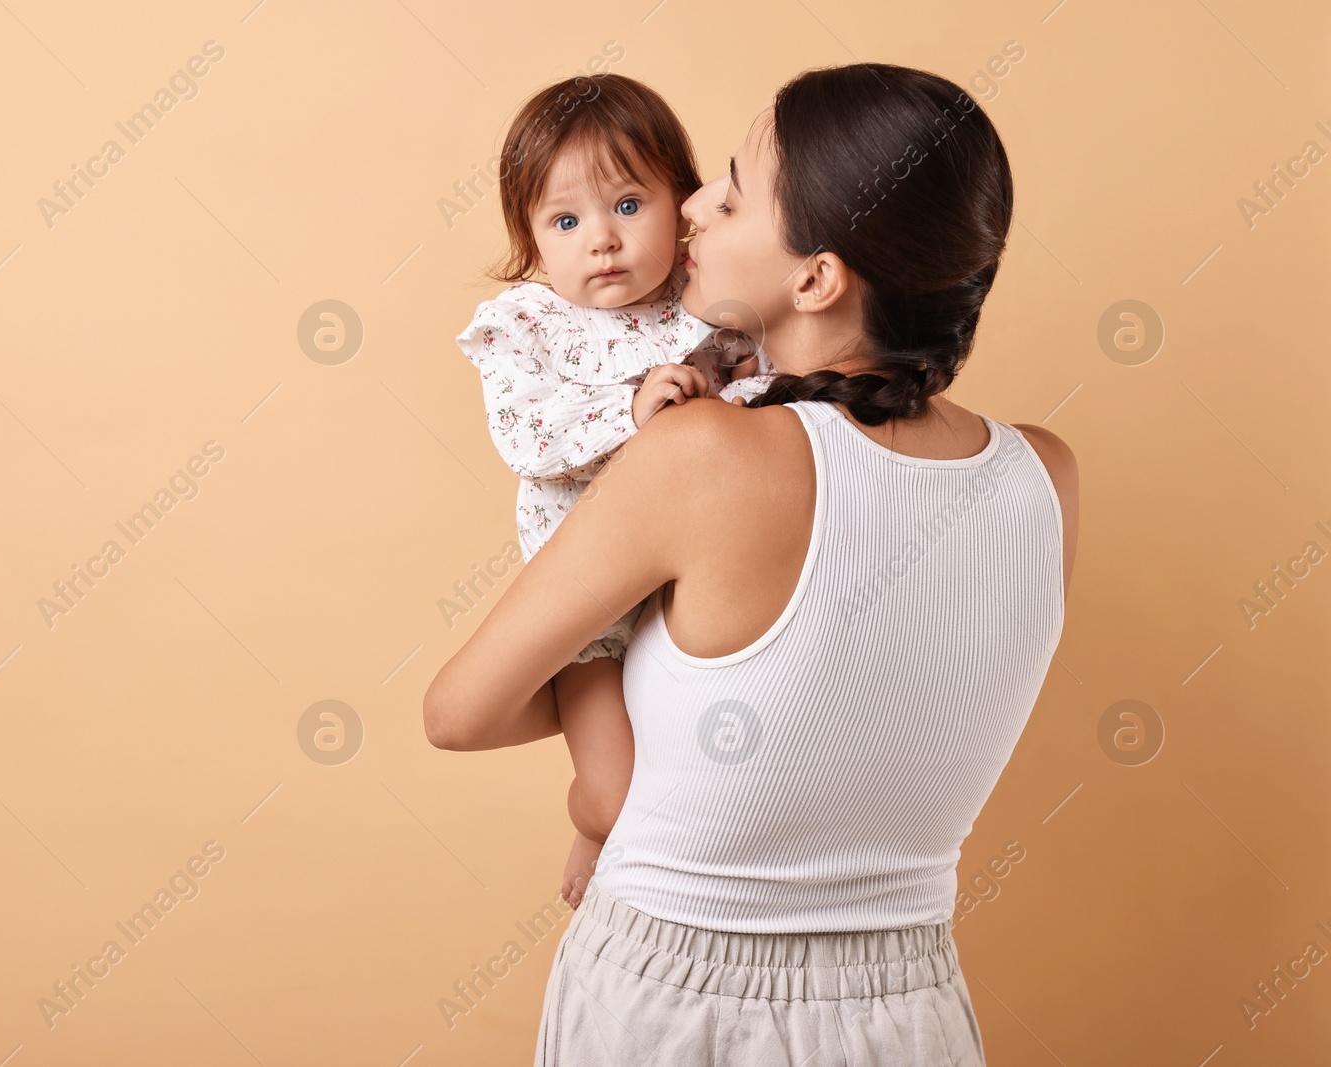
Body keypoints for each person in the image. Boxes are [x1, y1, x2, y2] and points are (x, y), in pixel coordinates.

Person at [425, 61, 1078, 1066]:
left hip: (672, 1000)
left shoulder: (701, 453)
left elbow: (458, 711)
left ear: (816, 276)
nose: (689, 205)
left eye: (730, 192)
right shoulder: (1045, 476)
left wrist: (605, 684)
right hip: (912, 1012)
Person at [455, 72, 773, 909]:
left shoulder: (708, 307)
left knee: (715, 785)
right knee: (614, 794)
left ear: (682, 203)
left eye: (629, 205)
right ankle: (591, 824)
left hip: (695, 599)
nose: (602, 240)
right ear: (531, 239)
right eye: (566, 221)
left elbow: (769, 403)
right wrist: (629, 408)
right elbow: (526, 437)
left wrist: (723, 392)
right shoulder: (529, 326)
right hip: (591, 606)